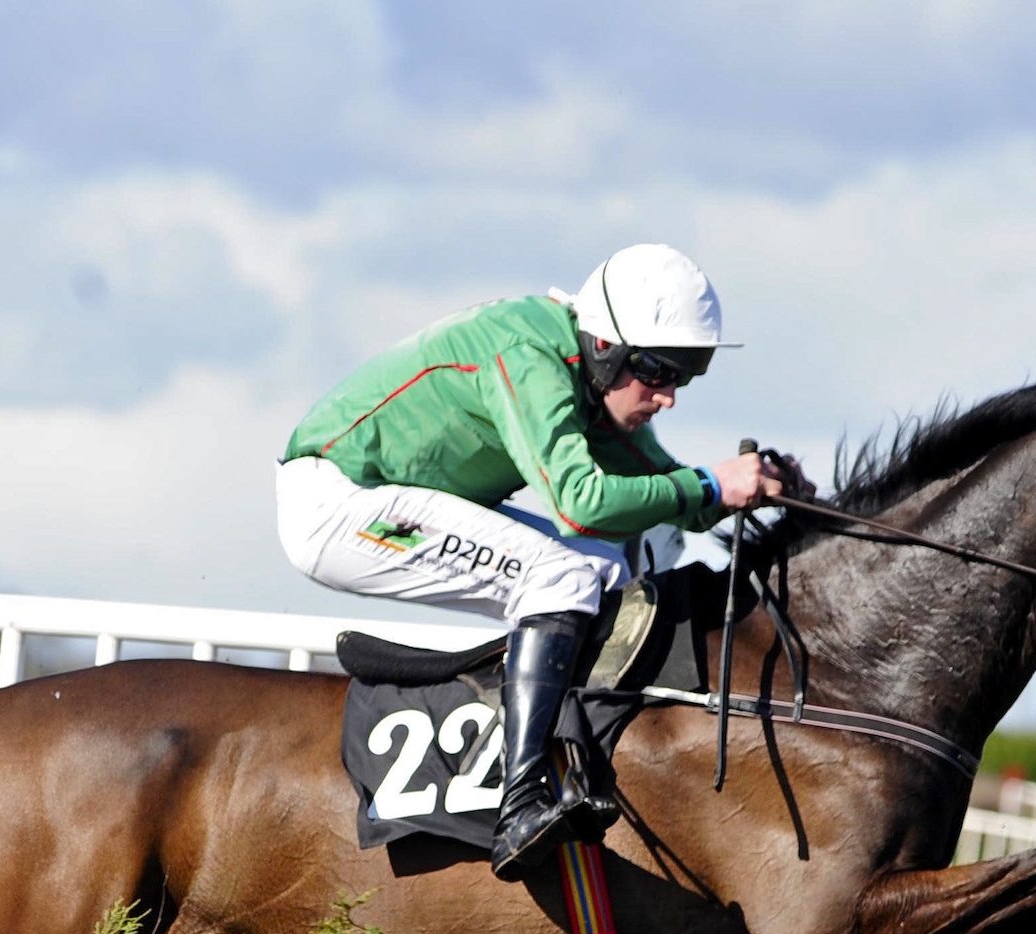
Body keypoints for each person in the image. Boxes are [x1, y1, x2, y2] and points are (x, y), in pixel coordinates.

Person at [276, 243, 796, 882]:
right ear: (606, 346)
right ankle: (519, 805)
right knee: (564, 573)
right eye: (658, 373)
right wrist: (713, 487)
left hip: (393, 500)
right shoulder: (531, 356)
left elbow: (669, 491)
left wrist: (753, 490)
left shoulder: (590, 373)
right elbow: (581, 503)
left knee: (607, 564)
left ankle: (572, 746)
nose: (668, 397)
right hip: (337, 504)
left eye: (684, 378)